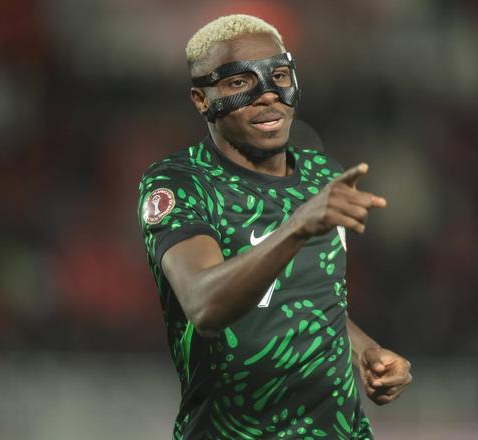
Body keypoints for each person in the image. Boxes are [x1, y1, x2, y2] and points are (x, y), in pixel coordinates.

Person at [137, 14, 412, 439]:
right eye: (239, 82)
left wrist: (366, 352)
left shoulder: (323, 176)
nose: (268, 94)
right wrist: (298, 225)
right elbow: (204, 305)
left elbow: (312, 299)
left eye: (279, 76)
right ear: (201, 99)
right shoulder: (180, 183)